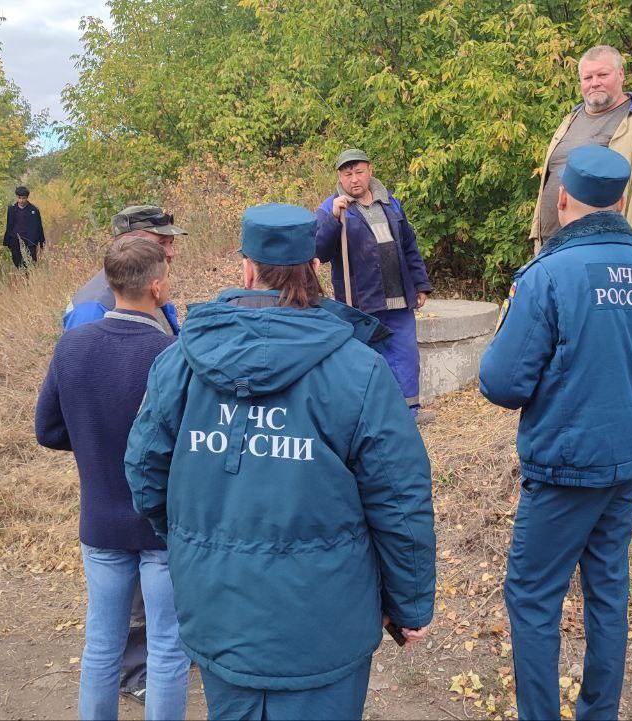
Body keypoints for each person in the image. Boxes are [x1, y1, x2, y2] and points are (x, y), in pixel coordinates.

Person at [126, 203, 436, 720]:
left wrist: (194, 543)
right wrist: (409, 603)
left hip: (220, 615)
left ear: (246, 269)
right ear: (314, 269)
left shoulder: (177, 363)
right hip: (325, 625)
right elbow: (399, 498)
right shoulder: (359, 369)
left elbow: (144, 477)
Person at [480, 145, 632, 721]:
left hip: (564, 467)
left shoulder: (547, 275)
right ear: (621, 200)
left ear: (562, 197)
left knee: (533, 595)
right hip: (628, 459)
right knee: (608, 592)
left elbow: (502, 383)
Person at [35, 237, 191, 721]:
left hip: (100, 519)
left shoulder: (73, 345)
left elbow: (48, 430)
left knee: (102, 644)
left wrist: (95, 445)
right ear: (157, 287)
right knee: (167, 648)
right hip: (162, 524)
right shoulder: (173, 354)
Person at [528, 45, 632, 263]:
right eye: (588, 77)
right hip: (551, 252)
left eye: (602, 75)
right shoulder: (570, 119)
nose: (594, 82)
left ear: (621, 74)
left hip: (608, 258)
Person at [314, 149, 433, 418]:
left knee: (405, 355)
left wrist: (420, 283)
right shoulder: (330, 208)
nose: (354, 179)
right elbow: (319, 251)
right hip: (361, 301)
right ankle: (371, 415)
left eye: (359, 172)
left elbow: (409, 245)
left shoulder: (391, 204)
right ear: (340, 177)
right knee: (366, 359)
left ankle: (408, 413)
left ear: (370, 170)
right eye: (347, 174)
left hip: (399, 296)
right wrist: (333, 219)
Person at [62, 205, 186, 335]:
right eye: (161, 243)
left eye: (171, 243)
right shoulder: (91, 309)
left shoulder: (150, 282)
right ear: (128, 244)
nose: (171, 252)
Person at [3, 185, 46, 269]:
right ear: (16, 197)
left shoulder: (34, 210)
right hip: (16, 240)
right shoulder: (11, 209)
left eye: (23, 198)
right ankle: (22, 275)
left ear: (27, 198)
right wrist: (7, 241)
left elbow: (39, 227)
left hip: (30, 240)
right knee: (17, 261)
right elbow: (9, 225)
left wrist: (42, 242)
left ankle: (29, 275)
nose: (21, 200)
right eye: (19, 198)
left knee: (31, 262)